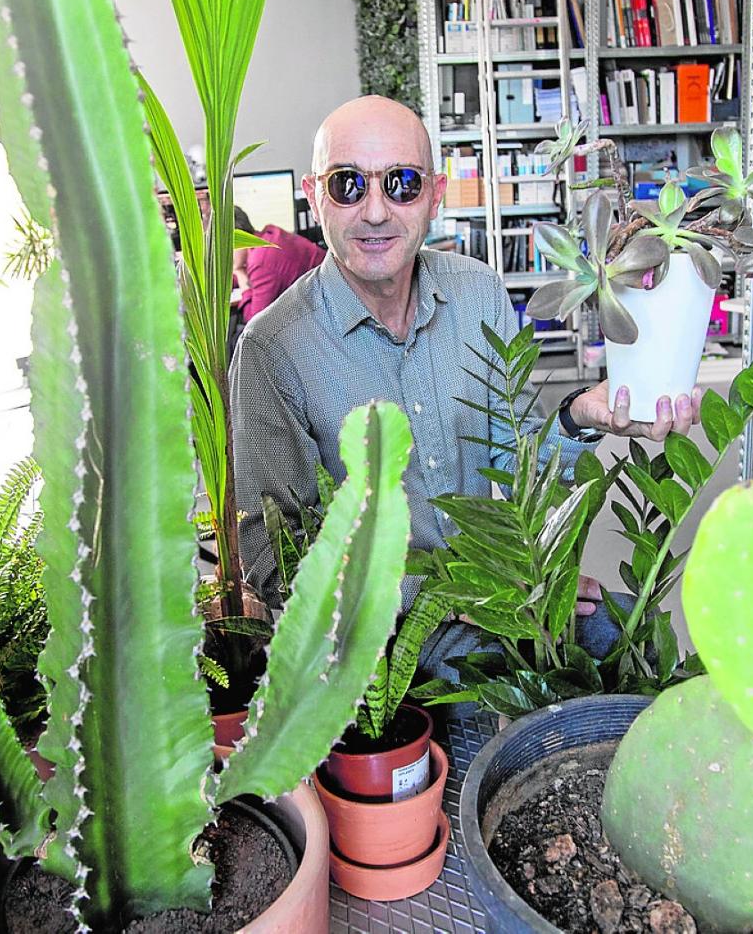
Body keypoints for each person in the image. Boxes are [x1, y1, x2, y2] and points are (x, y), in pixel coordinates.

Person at [228, 96, 700, 657]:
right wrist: (451, 596)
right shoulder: (272, 347)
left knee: (637, 635)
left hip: (502, 593)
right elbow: (270, 556)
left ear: (435, 196)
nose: (376, 211)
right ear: (314, 196)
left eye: (401, 183)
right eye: (348, 184)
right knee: (490, 708)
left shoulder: (478, 292)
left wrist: (579, 417)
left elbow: (516, 456)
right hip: (378, 645)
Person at [231, 207, 326, 324]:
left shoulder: (261, 261)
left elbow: (254, 322)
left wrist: (240, 273)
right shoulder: (268, 235)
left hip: (321, 315)